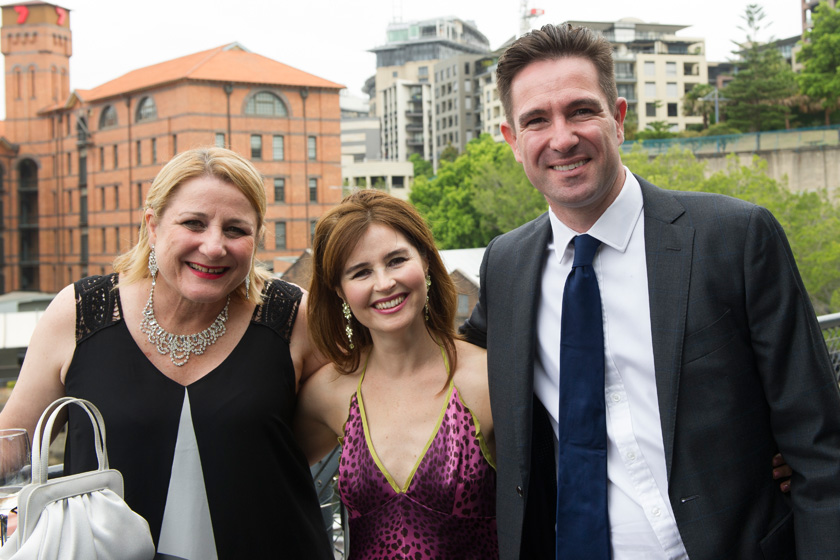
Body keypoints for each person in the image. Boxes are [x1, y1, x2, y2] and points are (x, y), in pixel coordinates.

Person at [460, 23, 840, 560]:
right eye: (536, 120)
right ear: (512, 140)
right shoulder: (506, 264)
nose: (562, 138)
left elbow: (820, 445)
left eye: (581, 111)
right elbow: (442, 358)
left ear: (618, 119)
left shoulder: (734, 238)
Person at [0, 147, 333, 559]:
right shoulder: (81, 313)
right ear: (153, 226)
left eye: (236, 230)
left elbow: (348, 419)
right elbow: (13, 442)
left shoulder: (293, 316)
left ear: (257, 238)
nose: (214, 246)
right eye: (194, 223)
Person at [294, 189, 498, 559]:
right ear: (340, 291)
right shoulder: (328, 393)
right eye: (361, 272)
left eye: (396, 260)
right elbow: (263, 477)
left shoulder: (489, 379)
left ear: (426, 261)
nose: (384, 283)